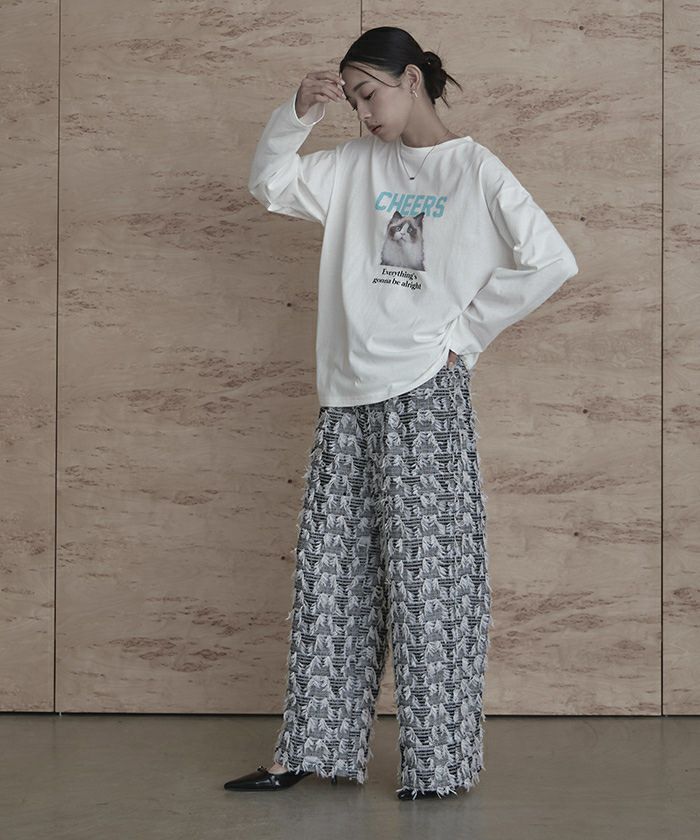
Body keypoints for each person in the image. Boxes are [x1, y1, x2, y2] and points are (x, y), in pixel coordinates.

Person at [224, 26, 578, 801]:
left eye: (368, 94)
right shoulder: (354, 166)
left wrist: (466, 336)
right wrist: (298, 112)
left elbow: (551, 258)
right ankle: (311, 750)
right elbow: (271, 185)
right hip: (347, 396)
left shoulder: (474, 169)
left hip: (425, 393)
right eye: (351, 99)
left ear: (411, 80)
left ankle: (438, 765)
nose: (361, 111)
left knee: (434, 584)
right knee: (331, 578)